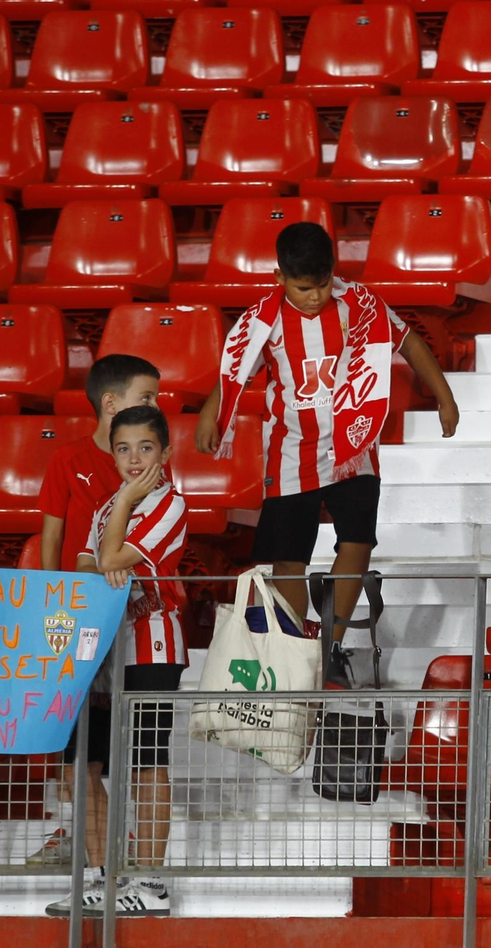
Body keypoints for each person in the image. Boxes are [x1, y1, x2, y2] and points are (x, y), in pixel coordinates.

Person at [195, 221, 460, 687]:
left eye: (320, 285)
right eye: (303, 288)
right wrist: (209, 415)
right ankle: (294, 647)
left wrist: (444, 396)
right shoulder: (262, 321)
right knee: (287, 558)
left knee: (357, 541)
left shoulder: (359, 304)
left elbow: (409, 342)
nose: (314, 296)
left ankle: (329, 643)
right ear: (279, 277)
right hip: (289, 450)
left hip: (353, 447)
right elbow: (234, 376)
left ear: (332, 273)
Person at [48, 405, 189, 918]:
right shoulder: (108, 507)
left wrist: (127, 501)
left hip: (152, 645)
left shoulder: (169, 503)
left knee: (147, 761)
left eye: (145, 448)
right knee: (81, 763)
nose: (133, 459)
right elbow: (86, 565)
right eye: (123, 448)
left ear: (166, 452)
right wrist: (111, 534)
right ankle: (102, 877)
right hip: (102, 647)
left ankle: (150, 883)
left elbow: (107, 561)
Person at [28, 354, 161, 871]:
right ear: (111, 403)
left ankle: (110, 853)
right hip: (75, 623)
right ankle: (101, 853)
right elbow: (53, 536)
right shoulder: (68, 459)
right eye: (146, 397)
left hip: (132, 626)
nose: (155, 406)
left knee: (118, 751)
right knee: (76, 756)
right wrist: (50, 601)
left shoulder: (147, 466)